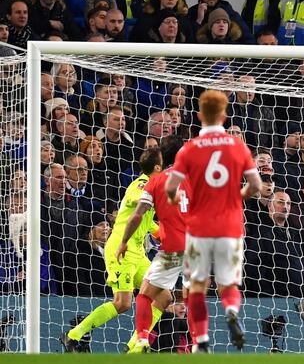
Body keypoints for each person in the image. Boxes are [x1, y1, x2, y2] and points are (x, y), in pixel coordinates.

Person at [164, 90, 261, 352]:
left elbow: (171, 187)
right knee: (227, 282)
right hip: (230, 226)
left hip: (199, 227)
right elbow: (256, 185)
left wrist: (173, 200)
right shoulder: (238, 146)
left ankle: (203, 340)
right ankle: (230, 310)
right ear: (224, 115)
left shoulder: (189, 149)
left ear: (199, 116)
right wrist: (236, 197)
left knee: (197, 285)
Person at [60, 149, 164, 352]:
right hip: (121, 249)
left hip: (138, 252)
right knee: (123, 303)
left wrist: (164, 233)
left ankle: (134, 348)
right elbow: (136, 198)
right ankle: (73, 335)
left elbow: (148, 220)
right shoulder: (142, 184)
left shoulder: (153, 187)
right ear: (157, 168)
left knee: (163, 297)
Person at [115, 136, 188, 353]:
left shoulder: (155, 181)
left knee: (145, 294)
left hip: (174, 247)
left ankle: (142, 340)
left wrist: (124, 241)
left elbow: (137, 215)